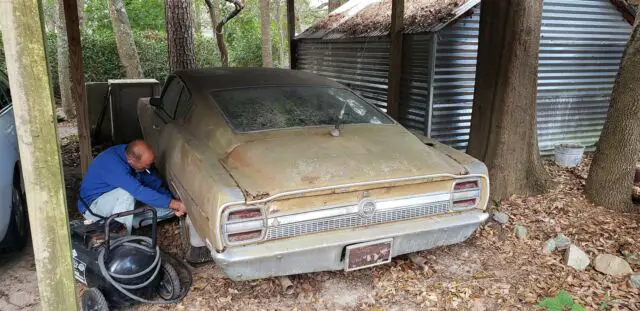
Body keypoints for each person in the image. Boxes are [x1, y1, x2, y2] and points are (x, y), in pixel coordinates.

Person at [77, 140, 186, 233]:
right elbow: (138, 191)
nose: (148, 167)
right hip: (93, 207)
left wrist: (172, 203)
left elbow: (154, 181)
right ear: (131, 161)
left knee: (169, 210)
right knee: (127, 193)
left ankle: (121, 223)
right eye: (146, 165)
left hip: (117, 202)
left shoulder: (135, 158)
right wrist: (175, 204)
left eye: (150, 164)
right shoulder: (113, 164)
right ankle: (121, 238)